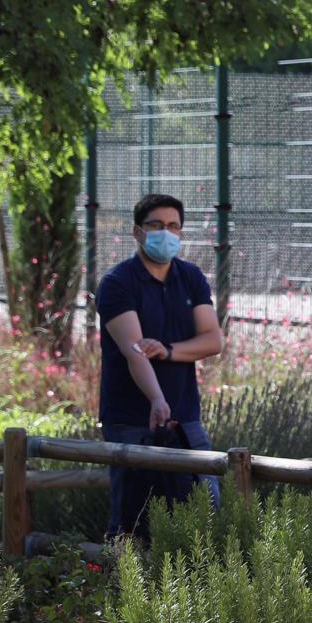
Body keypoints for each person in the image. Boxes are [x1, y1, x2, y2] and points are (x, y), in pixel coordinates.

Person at [97, 193, 225, 537]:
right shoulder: (117, 283)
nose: (165, 233)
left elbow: (213, 340)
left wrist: (168, 351)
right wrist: (156, 398)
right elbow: (134, 350)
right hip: (131, 420)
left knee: (205, 513)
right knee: (132, 523)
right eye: (156, 226)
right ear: (138, 232)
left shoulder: (191, 277)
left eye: (173, 226)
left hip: (186, 418)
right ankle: (121, 587)